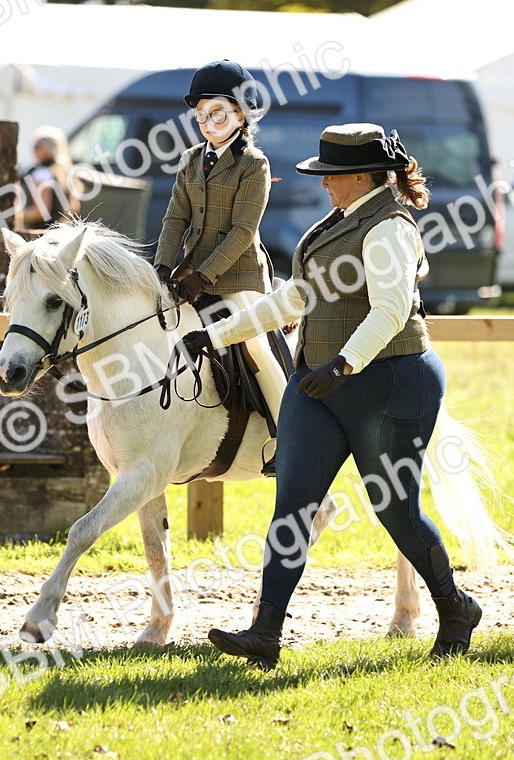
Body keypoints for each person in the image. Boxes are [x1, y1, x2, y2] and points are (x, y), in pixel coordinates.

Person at [183, 123, 482, 667]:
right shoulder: (338, 223)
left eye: (331, 176)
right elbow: (293, 299)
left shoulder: (389, 228)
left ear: (362, 177)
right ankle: (265, 632)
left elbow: (391, 310)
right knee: (293, 506)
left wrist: (343, 365)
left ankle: (454, 607)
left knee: (396, 509)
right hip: (320, 383)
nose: (323, 184)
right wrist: (219, 334)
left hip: (390, 383)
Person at [153, 59, 288, 459]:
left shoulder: (254, 164)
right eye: (201, 115)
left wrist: (205, 276)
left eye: (217, 113)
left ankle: (288, 438)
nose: (207, 123)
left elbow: (242, 232)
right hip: (191, 274)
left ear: (241, 115)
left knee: (256, 349)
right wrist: (162, 267)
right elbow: (175, 218)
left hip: (239, 277)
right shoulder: (191, 159)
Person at [17, 125, 80, 229]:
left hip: (44, 233)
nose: (34, 150)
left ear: (46, 148)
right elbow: (74, 207)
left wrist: (17, 215)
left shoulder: (42, 173)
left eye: (37, 146)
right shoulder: (66, 171)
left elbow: (40, 211)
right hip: (64, 231)